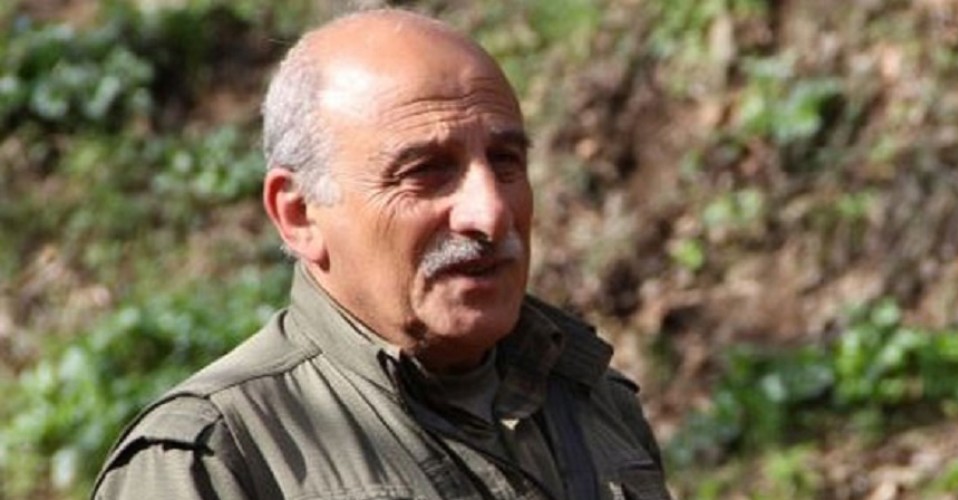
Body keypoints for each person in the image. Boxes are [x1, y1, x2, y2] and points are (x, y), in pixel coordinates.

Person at [92, 8, 672, 500]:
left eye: (505, 162)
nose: (490, 212)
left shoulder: (593, 400)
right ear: (299, 214)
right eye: (425, 172)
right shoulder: (217, 457)